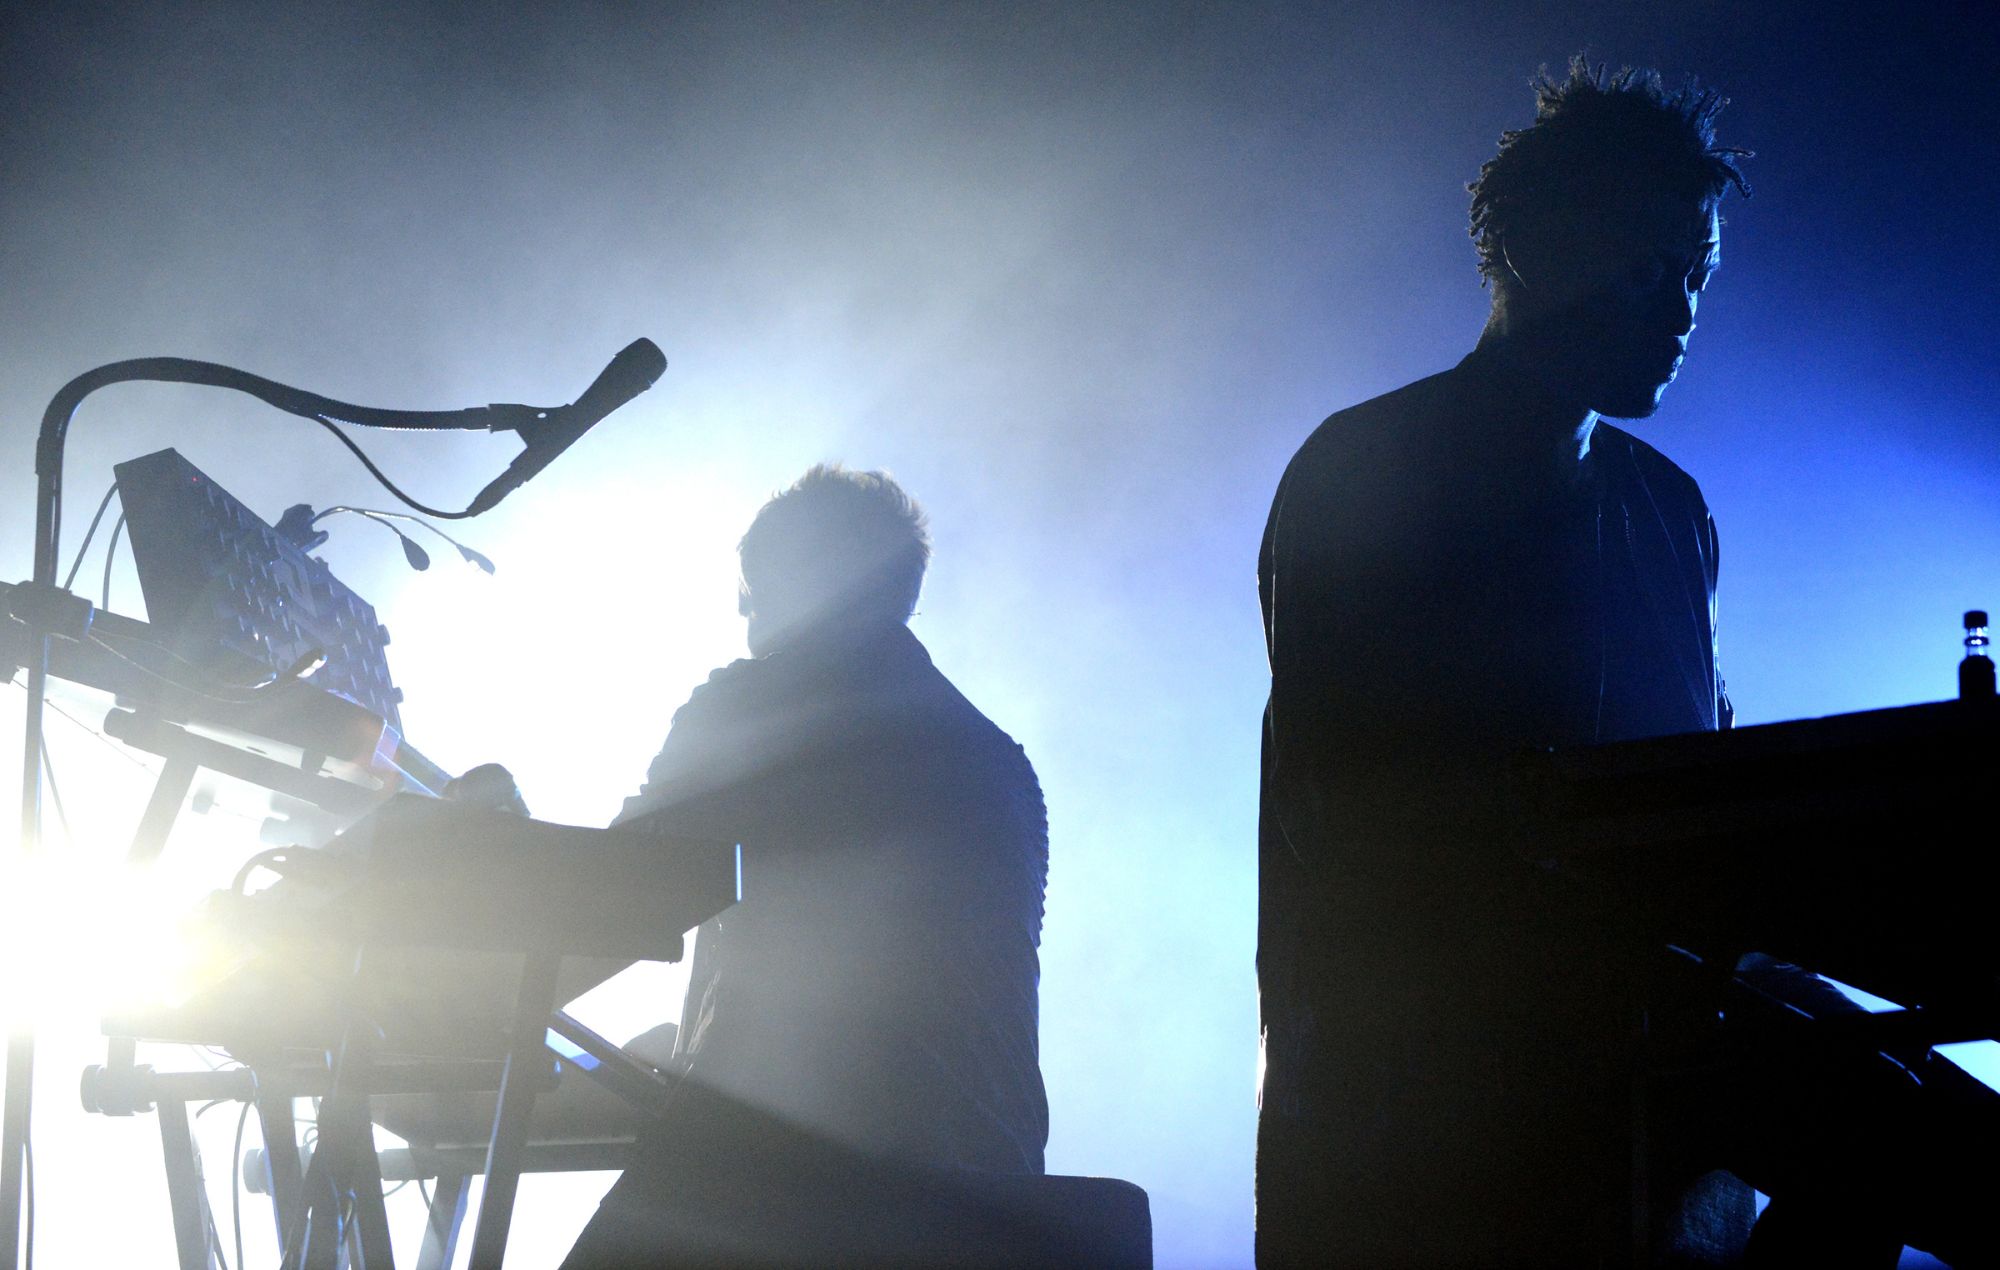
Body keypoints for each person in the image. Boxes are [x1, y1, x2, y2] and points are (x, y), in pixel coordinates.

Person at [1255, 59, 1996, 1268]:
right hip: (1434, 1109)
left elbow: (1707, 816)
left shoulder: (1669, 511)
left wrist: (1781, 979)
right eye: (1652, 268)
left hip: (1652, 1060)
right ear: (1539, 248)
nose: (1682, 308)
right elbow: (1361, 827)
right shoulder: (1363, 472)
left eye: (1696, 276)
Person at [564, 464, 1049, 1267]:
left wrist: (477, 848)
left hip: (790, 1184)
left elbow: (608, 898)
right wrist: (687, 1046)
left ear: (798, 580)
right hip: (993, 1206)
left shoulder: (762, 701)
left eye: (751, 588)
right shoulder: (1001, 764)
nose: (741, 612)